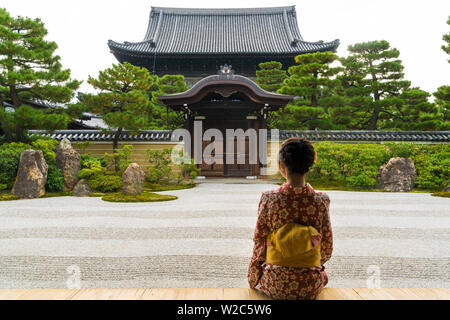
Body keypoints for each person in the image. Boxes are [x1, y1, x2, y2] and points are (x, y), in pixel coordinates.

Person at [248, 137, 333, 300]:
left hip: (275, 283)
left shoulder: (269, 199)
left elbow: (260, 242)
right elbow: (327, 247)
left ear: (282, 166)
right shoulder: (321, 201)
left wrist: (253, 278)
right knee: (323, 276)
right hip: (310, 285)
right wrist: (307, 261)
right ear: (310, 165)